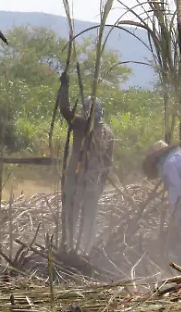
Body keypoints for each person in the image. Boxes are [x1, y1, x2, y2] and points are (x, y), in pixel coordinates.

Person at [58, 72, 115, 252]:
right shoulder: (80, 125)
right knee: (71, 214)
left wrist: (101, 184)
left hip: (92, 182)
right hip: (75, 178)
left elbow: (108, 162)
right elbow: (65, 109)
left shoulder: (107, 133)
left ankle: (86, 248)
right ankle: (69, 246)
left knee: (89, 216)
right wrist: (64, 87)